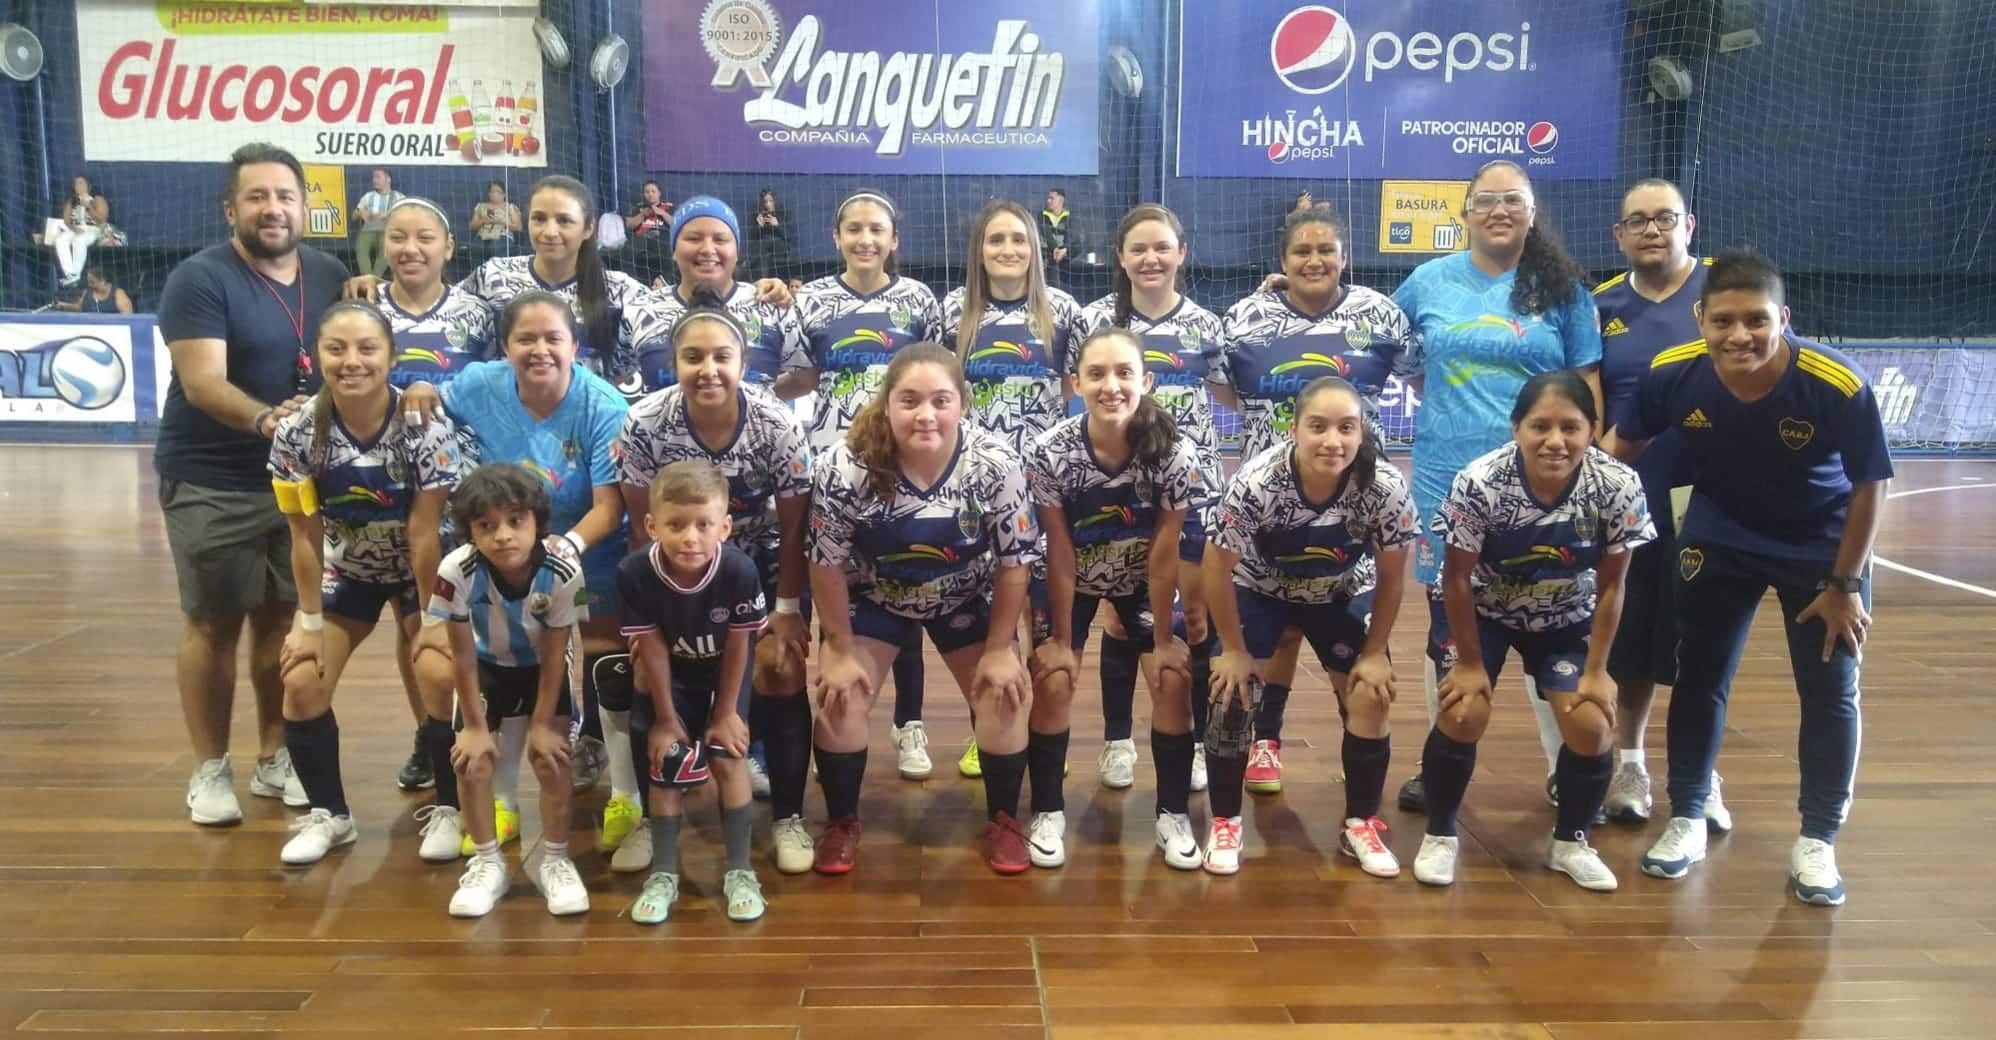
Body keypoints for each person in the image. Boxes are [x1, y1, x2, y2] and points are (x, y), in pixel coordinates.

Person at [1612, 250, 1892, 907]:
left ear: (1784, 319)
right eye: (1725, 321)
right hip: (1718, 536)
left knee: (1829, 689)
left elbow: (1872, 485)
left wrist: (1846, 584)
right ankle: (1686, 815)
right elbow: (1622, 450)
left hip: (1822, 550)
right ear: (1700, 319)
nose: (1741, 336)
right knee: (1699, 676)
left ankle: (1818, 840)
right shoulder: (1672, 375)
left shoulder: (1835, 382)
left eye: (1757, 321)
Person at [1391, 159, 1603, 816]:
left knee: (1554, 616)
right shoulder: (1427, 281)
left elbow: (1586, 383)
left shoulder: (1562, 289)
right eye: (1486, 200)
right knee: (1447, 623)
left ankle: (1565, 769)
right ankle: (1441, 764)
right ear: (1465, 213)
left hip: (1547, 486)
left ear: (1532, 212)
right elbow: (1384, 346)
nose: (1500, 210)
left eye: (1514, 200)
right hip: (1445, 478)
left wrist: (1577, 463)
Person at [157, 142, 350, 827]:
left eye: (285, 196)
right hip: (214, 479)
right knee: (212, 621)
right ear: (231, 208)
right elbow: (201, 382)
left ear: (305, 207)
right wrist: (269, 419)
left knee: (281, 620)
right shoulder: (200, 279)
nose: (273, 209)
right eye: (258, 197)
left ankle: (276, 756)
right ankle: (210, 768)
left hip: (299, 485)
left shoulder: (329, 272)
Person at [407, 291, 630, 856]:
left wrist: (569, 544)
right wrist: (421, 387)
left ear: (574, 346)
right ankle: (489, 797)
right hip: (501, 553)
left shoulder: (602, 406)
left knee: (607, 663)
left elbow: (610, 505)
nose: (540, 350)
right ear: (504, 347)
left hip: (585, 553)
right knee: (487, 662)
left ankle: (623, 790)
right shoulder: (480, 384)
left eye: (553, 338)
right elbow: (432, 400)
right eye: (525, 339)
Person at [807, 343, 1039, 874]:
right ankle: (842, 821)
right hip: (877, 597)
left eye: (941, 400)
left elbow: (1015, 564)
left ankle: (1004, 820)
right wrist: (839, 648)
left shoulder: (995, 463)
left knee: (1004, 694)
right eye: (909, 400)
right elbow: (825, 564)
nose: (926, 414)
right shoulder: (847, 465)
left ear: (963, 403)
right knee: (840, 697)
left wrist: (1002, 648)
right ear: (887, 404)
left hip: (964, 596)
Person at [1423, 371, 1653, 890]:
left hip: (1566, 614)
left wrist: (1597, 671)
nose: (1555, 440)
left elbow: (1614, 586)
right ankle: (1440, 836)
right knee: (1463, 711)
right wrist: (1470, 662)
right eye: (1539, 426)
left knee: (1592, 725)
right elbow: (1455, 576)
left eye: (1570, 427)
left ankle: (1570, 842)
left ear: (1592, 429)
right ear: (1516, 429)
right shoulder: (1480, 481)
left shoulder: (1617, 485)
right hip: (1480, 609)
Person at [614, 292, 813, 877]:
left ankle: (789, 817)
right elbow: (637, 524)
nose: (708, 370)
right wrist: (646, 611)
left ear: (743, 362)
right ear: (673, 363)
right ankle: (653, 823)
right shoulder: (645, 421)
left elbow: (797, 524)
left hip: (760, 561)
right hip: (675, 568)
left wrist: (785, 610)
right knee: (652, 680)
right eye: (692, 357)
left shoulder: (776, 421)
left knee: (780, 668)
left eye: (722, 356)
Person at [1221, 204, 1410, 795]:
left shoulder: (1379, 316)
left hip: (1348, 508)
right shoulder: (1246, 317)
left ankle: (1359, 799)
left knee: (1338, 648)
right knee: (1276, 632)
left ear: (1345, 258)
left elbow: (1421, 375)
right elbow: (1224, 389)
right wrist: (1276, 438)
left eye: (1325, 249)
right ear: (1282, 261)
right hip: (1269, 505)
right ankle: (1265, 741)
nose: (1314, 260)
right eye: (1301, 251)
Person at [267, 301, 464, 866]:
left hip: (417, 571)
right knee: (301, 680)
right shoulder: (296, 433)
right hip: (346, 571)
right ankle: (332, 815)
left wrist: (431, 620)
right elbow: (302, 534)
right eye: (336, 349)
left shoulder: (424, 425)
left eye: (367, 349)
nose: (352, 361)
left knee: (438, 671)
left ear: (391, 357)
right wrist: (306, 625)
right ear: (317, 358)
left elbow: (425, 531)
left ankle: (449, 807)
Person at [1203, 377, 1417, 876]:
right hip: (1262, 590)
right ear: (1294, 428)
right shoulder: (1257, 482)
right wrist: (1232, 649)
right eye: (1318, 427)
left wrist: (1374, 652)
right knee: (1229, 694)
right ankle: (1225, 820)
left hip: (1338, 592)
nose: (1332, 441)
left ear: (1362, 432)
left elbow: (1391, 576)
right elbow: (1216, 567)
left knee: (1369, 693)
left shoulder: (1383, 486)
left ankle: (1360, 823)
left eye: (1346, 428)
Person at [1029, 328, 1201, 869]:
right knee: (1053, 677)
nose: (1111, 386)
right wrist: (1060, 639)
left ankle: (1172, 813)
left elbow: (1165, 548)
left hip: (1138, 576)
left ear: (1146, 381)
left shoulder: (1174, 451)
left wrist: (1167, 638)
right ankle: (1048, 810)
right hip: (1070, 576)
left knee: (1172, 677)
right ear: (1075, 383)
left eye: (1124, 373)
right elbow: (1057, 547)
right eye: (1097, 374)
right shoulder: (1051, 451)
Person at [786, 189, 942, 782]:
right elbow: (800, 375)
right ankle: (840, 717)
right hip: (836, 467)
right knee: (839, 594)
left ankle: (910, 725)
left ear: (894, 239)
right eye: (854, 229)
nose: (866, 239)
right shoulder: (815, 300)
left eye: (877, 230)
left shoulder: (918, 301)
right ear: (836, 237)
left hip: (902, 467)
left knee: (907, 589)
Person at [1076, 203, 1231, 794]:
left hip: (1191, 498)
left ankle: (1190, 742)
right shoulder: (1094, 322)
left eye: (1162, 247)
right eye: (1138, 248)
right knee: (1119, 622)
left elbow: (1234, 390)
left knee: (1192, 620)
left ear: (1181, 253)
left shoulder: (1208, 325)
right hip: (1116, 495)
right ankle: (1118, 742)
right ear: (1121, 257)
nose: (1150, 258)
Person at [1591, 179, 1731, 829]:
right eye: (1637, 221)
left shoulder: (1725, 293)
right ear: (1619, 235)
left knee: (1705, 641)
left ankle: (1700, 774)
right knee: (1632, 641)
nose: (1652, 230)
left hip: (1716, 502)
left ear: (1689, 225)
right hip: (1627, 501)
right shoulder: (1600, 306)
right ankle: (1632, 762)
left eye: (1664, 218)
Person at [942, 199, 1083, 779]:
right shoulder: (953, 312)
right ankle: (990, 728)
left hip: (1043, 488)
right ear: (979, 249)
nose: (1008, 249)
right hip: (973, 489)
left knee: (1039, 613)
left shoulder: (1063, 311)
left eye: (1019, 240)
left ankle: (1043, 737)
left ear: (1035, 249)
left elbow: (1085, 389)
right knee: (991, 619)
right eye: (996, 239)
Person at [414, 463, 591, 918]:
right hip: (486, 664)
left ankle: (555, 859)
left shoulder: (563, 571)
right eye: (486, 526)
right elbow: (463, 656)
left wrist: (541, 725)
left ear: (537, 522)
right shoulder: (456, 570)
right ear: (469, 531)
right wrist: (474, 726)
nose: (503, 536)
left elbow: (557, 654)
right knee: (473, 762)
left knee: (551, 759)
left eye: (516, 522)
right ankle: (486, 862)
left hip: (540, 668)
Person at [376, 196, 499, 793]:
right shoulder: (363, 306)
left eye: (425, 237)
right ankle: (430, 737)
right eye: (398, 237)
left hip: (461, 491)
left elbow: (500, 385)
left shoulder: (478, 314)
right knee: (412, 620)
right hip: (386, 490)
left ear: (449, 248)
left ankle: (476, 727)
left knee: (461, 620)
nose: (411, 248)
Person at [619, 461, 771, 924]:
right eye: (676, 524)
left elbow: (741, 643)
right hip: (672, 674)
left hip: (722, 672)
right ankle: (664, 873)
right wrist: (667, 720)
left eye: (703, 525)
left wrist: (726, 712)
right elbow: (652, 648)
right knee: (666, 760)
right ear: (651, 525)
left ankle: (740, 871)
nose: (690, 537)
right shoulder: (634, 573)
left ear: (724, 527)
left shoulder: (740, 570)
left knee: (728, 753)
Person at [629, 196, 806, 397]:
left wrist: (760, 400)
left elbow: (805, 378)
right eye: (693, 238)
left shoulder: (771, 304)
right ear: (673, 250)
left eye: (720, 239)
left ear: (737, 251)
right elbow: (613, 374)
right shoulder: (640, 310)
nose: (707, 249)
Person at [48, 175, 123, 287]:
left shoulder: (97, 199)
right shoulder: (72, 201)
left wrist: (88, 207)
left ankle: (76, 274)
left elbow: (102, 219)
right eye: (76, 184)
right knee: (60, 239)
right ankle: (70, 274)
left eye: (81, 183)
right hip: (75, 228)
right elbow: (66, 220)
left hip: (93, 229)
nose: (78, 186)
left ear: (88, 185)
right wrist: (74, 229)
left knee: (79, 240)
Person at [351, 168, 404, 279]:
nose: (374, 180)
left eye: (378, 177)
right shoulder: (368, 196)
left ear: (388, 179)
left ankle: (374, 279)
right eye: (373, 177)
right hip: (368, 230)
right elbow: (354, 216)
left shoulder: (399, 197)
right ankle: (368, 278)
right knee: (361, 249)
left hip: (387, 231)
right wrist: (361, 213)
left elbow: (407, 217)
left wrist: (388, 215)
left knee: (387, 250)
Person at [623, 180, 674, 287]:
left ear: (659, 193)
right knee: (628, 252)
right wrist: (642, 215)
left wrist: (662, 213)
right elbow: (629, 225)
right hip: (641, 246)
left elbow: (676, 224)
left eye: (653, 191)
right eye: (647, 192)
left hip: (662, 247)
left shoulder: (668, 207)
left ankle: (662, 283)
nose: (650, 194)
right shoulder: (638, 208)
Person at [468, 180, 521, 268]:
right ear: (488, 194)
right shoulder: (481, 206)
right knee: (475, 248)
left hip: (502, 235)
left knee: (495, 247)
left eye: (498, 192)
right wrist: (483, 221)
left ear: (504, 194)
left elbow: (518, 227)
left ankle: (498, 274)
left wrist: (503, 222)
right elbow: (472, 226)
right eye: (492, 192)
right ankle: (477, 275)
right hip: (483, 236)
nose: (495, 194)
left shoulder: (510, 207)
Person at [746, 188, 793, 282]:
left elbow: (790, 236)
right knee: (761, 252)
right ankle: (762, 281)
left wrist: (777, 225)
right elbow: (752, 238)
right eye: (765, 201)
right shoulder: (757, 216)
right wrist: (759, 226)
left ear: (775, 201)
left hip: (780, 249)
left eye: (770, 201)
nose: (767, 204)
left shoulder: (784, 214)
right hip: (763, 251)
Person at [53, 265, 133, 314]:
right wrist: (64, 305)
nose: (89, 285)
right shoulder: (87, 292)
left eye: (92, 282)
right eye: (89, 282)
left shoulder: (118, 294)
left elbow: (127, 316)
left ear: (103, 281)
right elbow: (80, 307)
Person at [1039, 188, 1072, 286]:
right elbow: (1046, 233)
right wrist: (1055, 248)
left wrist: (1065, 249)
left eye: (1051, 198)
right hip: (1049, 257)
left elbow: (1073, 235)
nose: (1048, 201)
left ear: (1061, 200)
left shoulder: (1070, 215)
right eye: (1048, 198)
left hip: (1065, 258)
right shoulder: (1042, 215)